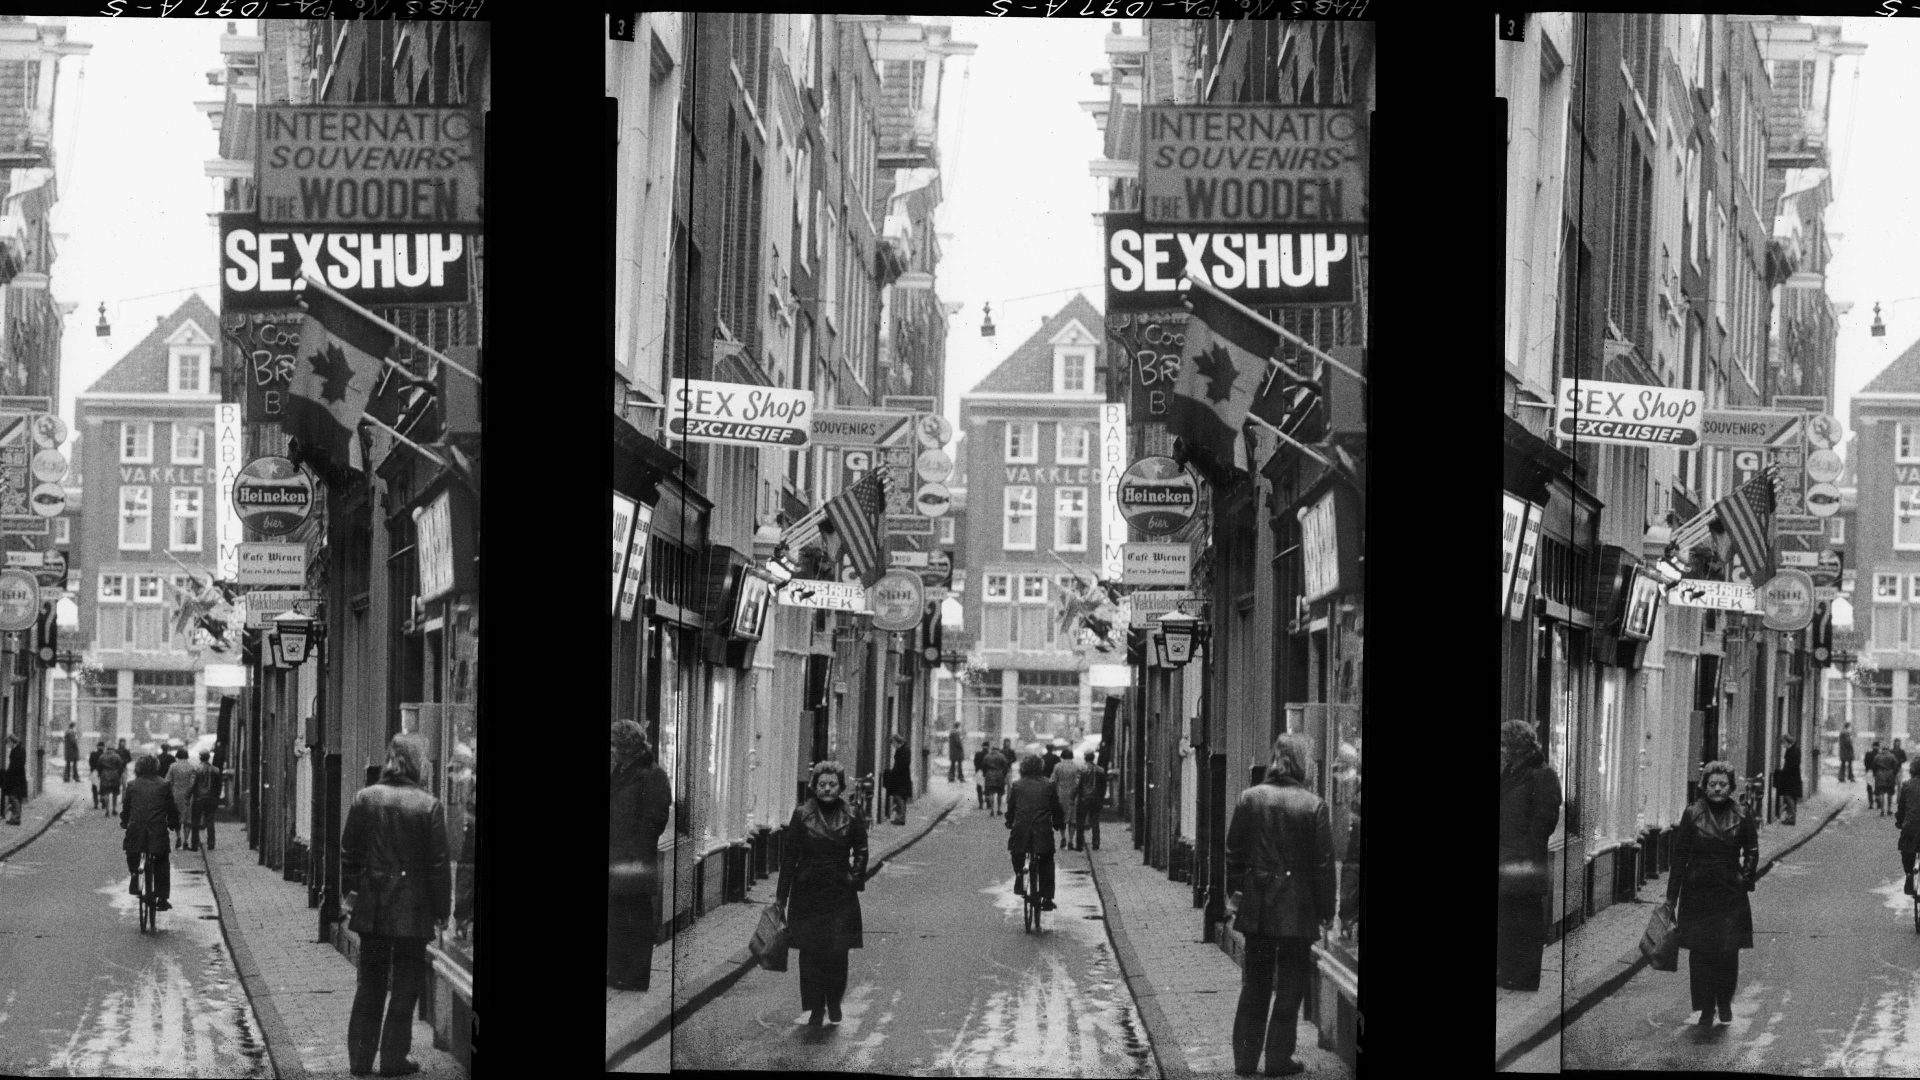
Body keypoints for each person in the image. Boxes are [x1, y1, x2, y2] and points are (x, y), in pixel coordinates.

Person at [341, 732, 452, 1078]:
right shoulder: (429, 805)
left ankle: (360, 1060)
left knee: (370, 983)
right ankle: (393, 1059)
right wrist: (441, 912)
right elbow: (437, 868)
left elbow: (349, 853)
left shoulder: (365, 798)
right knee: (406, 984)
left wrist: (350, 896)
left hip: (372, 907)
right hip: (413, 910)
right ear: (419, 764)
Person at [1226, 733, 1336, 1078]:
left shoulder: (1250, 798)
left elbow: (1234, 854)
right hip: (1297, 908)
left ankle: (1245, 1060)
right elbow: (1322, 867)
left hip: (1257, 905)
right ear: (1305, 763)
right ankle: (1277, 1060)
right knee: (1291, 983)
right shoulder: (1313, 805)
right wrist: (1326, 912)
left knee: (1255, 982)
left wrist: (1235, 897)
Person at [1665, 759, 1759, 1027]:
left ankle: (1724, 1001)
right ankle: (1706, 1008)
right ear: (1704, 786)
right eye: (1712, 784)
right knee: (1701, 953)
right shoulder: (1692, 814)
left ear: (1731, 787)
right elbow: (1680, 856)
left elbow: (1751, 850)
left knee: (1728, 952)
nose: (1717, 789)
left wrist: (1745, 878)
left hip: (1730, 891)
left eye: (1723, 784)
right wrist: (1671, 897)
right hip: (1698, 891)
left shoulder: (1742, 814)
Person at [776, 760, 869, 1027]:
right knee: (810, 952)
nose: (827, 789)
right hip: (808, 890)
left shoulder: (852, 814)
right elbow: (790, 856)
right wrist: (781, 897)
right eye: (822, 784)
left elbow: (861, 848)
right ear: (814, 786)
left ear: (840, 787)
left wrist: (855, 877)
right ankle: (815, 1008)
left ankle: (834, 1001)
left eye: (832, 784)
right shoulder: (802, 814)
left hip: (840, 890)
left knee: (837, 952)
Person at [1498, 719, 1562, 992]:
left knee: (1524, 917)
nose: (1500, 749)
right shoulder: (1511, 772)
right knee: (1508, 917)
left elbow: (1545, 819)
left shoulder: (1541, 775)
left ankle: (1525, 976)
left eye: (1504, 744)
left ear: (1517, 746)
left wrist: (1528, 850)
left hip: (1524, 858)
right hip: (1506, 856)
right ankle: (1508, 971)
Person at [609, 720, 671, 992]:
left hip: (634, 859)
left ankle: (635, 976)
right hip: (617, 856)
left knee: (635, 915)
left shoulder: (651, 775)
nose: (611, 750)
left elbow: (655, 819)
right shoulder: (621, 772)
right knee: (618, 915)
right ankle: (618, 971)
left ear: (628, 747)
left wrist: (635, 852)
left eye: (615, 745)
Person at [121, 754, 177, 909]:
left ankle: (134, 875)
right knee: (162, 861)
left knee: (132, 853)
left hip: (136, 830)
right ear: (156, 767)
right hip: (158, 831)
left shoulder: (132, 785)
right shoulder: (164, 785)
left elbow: (127, 808)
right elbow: (171, 808)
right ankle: (163, 897)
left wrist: (124, 822)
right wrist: (173, 822)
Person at [1006, 754, 1058, 912]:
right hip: (1042, 831)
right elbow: (1055, 808)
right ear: (1041, 768)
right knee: (1047, 860)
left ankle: (1019, 876)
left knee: (1017, 852)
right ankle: (1047, 898)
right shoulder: (1049, 784)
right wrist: (1058, 823)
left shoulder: (1017, 785)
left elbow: (1011, 807)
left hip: (1021, 829)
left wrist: (1009, 821)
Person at [167, 747, 203, 850]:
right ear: (187, 756)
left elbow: (168, 781)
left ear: (177, 755)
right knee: (188, 819)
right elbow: (193, 782)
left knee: (177, 818)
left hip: (176, 795)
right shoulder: (192, 767)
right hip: (188, 796)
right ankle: (186, 841)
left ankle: (178, 837)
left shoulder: (173, 766)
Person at [1051, 747, 1084, 851]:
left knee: (1062, 818)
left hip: (1061, 795)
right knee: (1072, 819)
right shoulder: (1076, 767)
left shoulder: (1057, 766)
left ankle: (1063, 837)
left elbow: (1053, 781)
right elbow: (1079, 782)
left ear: (1062, 756)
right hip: (1073, 797)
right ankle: (1070, 840)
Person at [1073, 749, 1106, 852]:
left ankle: (1079, 844)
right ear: (1093, 758)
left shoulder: (1081, 769)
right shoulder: (1100, 770)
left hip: (1083, 799)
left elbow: (1077, 785)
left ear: (1084, 757)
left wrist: (1073, 797)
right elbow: (1103, 787)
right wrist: (1101, 798)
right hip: (1096, 799)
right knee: (1095, 822)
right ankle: (1096, 843)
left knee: (1080, 822)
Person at [1899, 758, 1920, 898]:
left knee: (1906, 851)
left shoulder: (1907, 785)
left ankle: (1909, 874)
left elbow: (1901, 808)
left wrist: (1900, 821)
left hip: (1911, 826)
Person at [189, 750, 218, 851]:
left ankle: (194, 845)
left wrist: (188, 797)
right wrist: (216, 799)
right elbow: (217, 787)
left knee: (195, 822)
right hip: (210, 799)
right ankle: (211, 843)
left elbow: (192, 785)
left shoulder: (196, 769)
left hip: (198, 799)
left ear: (200, 757)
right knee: (210, 821)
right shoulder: (215, 770)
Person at [883, 733, 913, 826]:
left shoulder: (905, 750)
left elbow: (903, 763)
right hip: (899, 776)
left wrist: (895, 771)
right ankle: (900, 817)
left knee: (898, 796)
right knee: (900, 796)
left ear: (896, 741)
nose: (893, 746)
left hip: (902, 777)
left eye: (893, 743)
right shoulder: (901, 749)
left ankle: (901, 817)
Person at [1774, 734, 1802, 826]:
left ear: (1787, 742)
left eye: (1784, 743)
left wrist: (1784, 772)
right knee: (1791, 797)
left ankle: (1792, 817)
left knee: (1788, 796)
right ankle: (1790, 817)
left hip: (1791, 778)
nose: (1783, 746)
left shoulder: (1793, 751)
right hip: (1792, 777)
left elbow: (1792, 765)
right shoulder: (1793, 749)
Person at [98, 740, 127, 816]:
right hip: (115, 775)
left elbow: (99, 766)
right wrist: (119, 774)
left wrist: (100, 774)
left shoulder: (102, 756)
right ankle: (114, 809)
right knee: (115, 793)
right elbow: (121, 766)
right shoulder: (117, 756)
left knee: (106, 793)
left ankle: (107, 810)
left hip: (105, 775)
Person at [2, 732, 26, 825]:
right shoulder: (15, 750)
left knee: (14, 797)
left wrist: (10, 772)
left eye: (8, 743)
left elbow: (18, 765)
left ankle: (16, 818)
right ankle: (15, 818)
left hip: (18, 778)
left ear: (12, 741)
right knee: (14, 797)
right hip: (13, 777)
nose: (8, 746)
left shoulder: (20, 750)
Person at [981, 744, 1010, 817]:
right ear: (998, 749)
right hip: (999, 775)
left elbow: (983, 766)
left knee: (991, 793)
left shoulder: (987, 756)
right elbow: (1006, 766)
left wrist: (985, 774)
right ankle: (999, 810)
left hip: (989, 775)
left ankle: (992, 810)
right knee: (1000, 793)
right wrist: (1004, 774)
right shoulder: (1002, 756)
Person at [1875, 741, 1902, 818]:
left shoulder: (1877, 756)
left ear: (1882, 749)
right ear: (1888, 749)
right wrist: (1893, 773)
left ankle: (1882, 810)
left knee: (1881, 793)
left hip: (1880, 776)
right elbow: (1896, 766)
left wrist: (1877, 773)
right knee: (1890, 793)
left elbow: (1873, 766)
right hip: (1890, 776)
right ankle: (1889, 809)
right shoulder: (1892, 756)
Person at [974, 740, 990, 809]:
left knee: (979, 788)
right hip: (987, 773)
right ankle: (988, 803)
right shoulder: (989, 755)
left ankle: (981, 804)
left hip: (979, 772)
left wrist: (978, 770)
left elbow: (975, 763)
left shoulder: (978, 754)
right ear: (988, 747)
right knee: (988, 788)